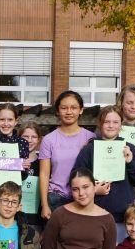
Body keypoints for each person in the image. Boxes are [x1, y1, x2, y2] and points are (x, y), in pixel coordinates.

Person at [72, 105, 135, 242]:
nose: (111, 125)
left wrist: (130, 162)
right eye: (107, 122)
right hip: (94, 216)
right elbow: (75, 178)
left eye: (115, 122)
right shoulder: (89, 150)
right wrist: (93, 190)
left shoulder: (129, 148)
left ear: (121, 125)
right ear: (100, 124)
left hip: (122, 218)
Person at [38, 90, 94, 221]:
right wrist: (44, 205)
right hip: (56, 198)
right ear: (58, 111)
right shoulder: (49, 140)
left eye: (73, 108)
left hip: (83, 197)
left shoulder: (91, 138)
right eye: (64, 108)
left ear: (81, 110)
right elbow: (44, 174)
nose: (69, 112)